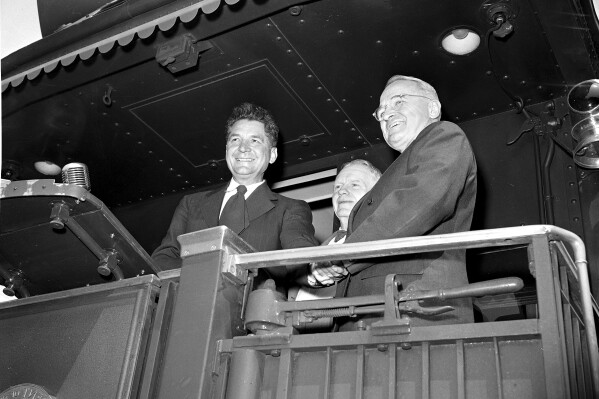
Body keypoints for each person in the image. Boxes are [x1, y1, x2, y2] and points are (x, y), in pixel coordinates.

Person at [313, 75, 478, 327]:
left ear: (433, 108)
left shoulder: (444, 135)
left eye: (399, 102)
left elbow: (420, 201)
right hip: (373, 318)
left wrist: (343, 256)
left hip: (414, 313)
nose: (387, 113)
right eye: (381, 110)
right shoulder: (395, 173)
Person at [152, 102, 319, 289]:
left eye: (255, 140)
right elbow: (162, 260)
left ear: (272, 155)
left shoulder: (290, 209)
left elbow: (299, 249)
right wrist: (204, 271)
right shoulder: (192, 203)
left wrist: (316, 268)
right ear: (226, 151)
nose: (243, 148)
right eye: (235, 140)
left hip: (248, 314)